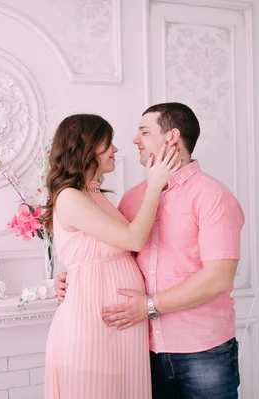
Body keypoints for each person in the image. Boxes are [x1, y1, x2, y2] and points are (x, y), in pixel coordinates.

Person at [54, 103, 245, 399]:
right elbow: (113, 253)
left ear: (172, 137)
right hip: (143, 347)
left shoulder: (213, 196)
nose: (133, 141)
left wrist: (149, 306)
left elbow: (218, 278)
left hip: (201, 348)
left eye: (144, 131)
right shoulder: (132, 198)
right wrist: (73, 277)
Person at [42, 113, 182, 399]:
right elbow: (133, 238)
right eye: (108, 144)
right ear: (86, 148)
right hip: (92, 325)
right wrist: (154, 185)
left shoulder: (95, 194)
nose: (116, 150)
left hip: (117, 326)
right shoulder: (70, 197)